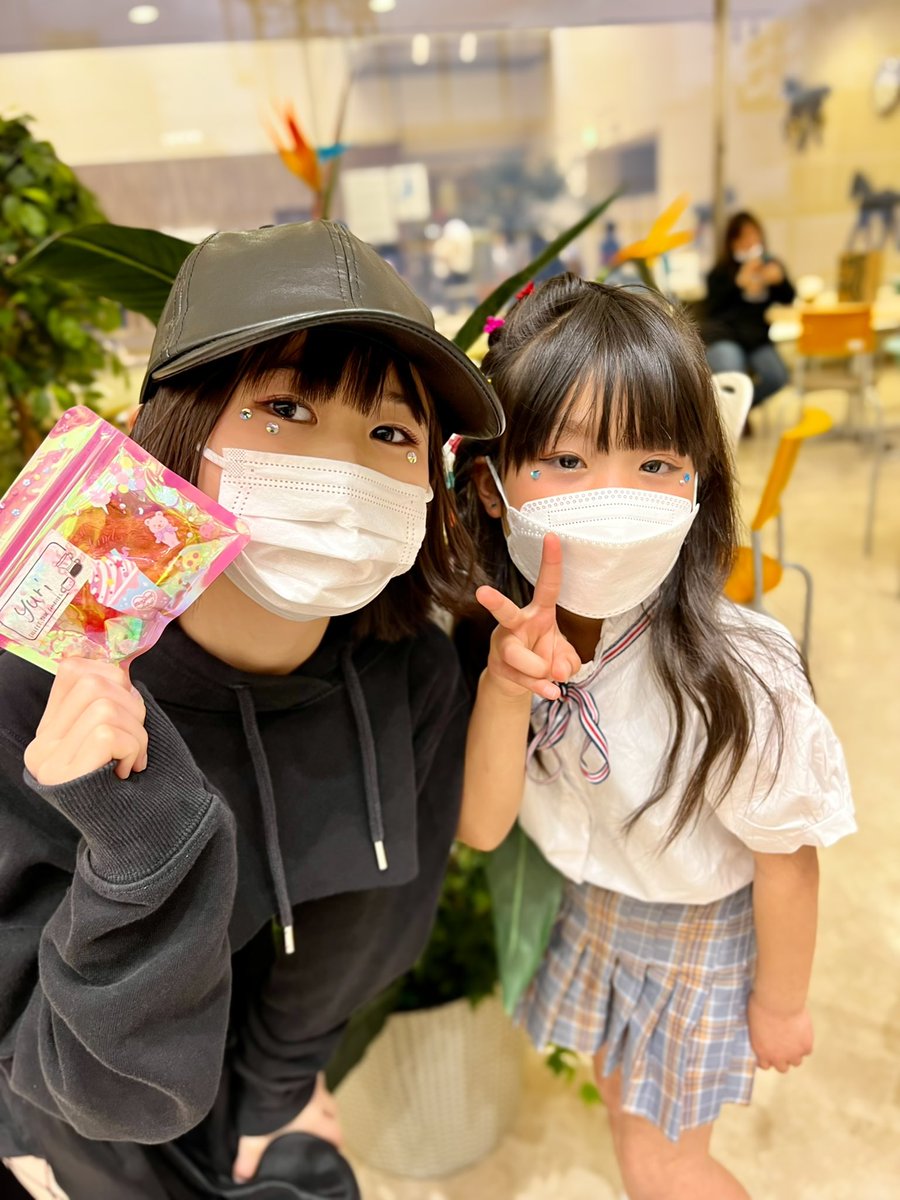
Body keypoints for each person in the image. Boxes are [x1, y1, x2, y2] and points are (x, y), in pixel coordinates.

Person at [0, 220, 503, 1199]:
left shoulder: (410, 675)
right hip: (80, 1119)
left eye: (392, 433)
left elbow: (375, 921)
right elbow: (63, 1063)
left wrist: (279, 1093)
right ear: (172, 430)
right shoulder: (38, 689)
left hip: (274, 1110)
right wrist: (133, 838)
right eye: (285, 406)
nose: (345, 467)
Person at [453, 276, 854, 1200]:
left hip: (694, 934)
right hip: (601, 913)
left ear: (698, 482)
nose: (614, 496)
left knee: (663, 1168)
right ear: (492, 485)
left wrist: (781, 1003)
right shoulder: (500, 635)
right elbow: (482, 827)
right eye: (567, 458)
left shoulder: (738, 671)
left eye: (656, 463)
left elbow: (787, 856)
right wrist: (504, 689)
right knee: (629, 1124)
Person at [703, 210, 796, 410]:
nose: (750, 240)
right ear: (732, 242)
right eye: (744, 236)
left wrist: (779, 281)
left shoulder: (769, 265)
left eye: (754, 234)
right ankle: (733, 413)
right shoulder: (721, 271)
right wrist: (738, 283)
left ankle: (740, 411)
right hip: (724, 336)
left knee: (777, 377)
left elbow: (789, 298)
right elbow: (713, 308)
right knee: (732, 373)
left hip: (756, 339)